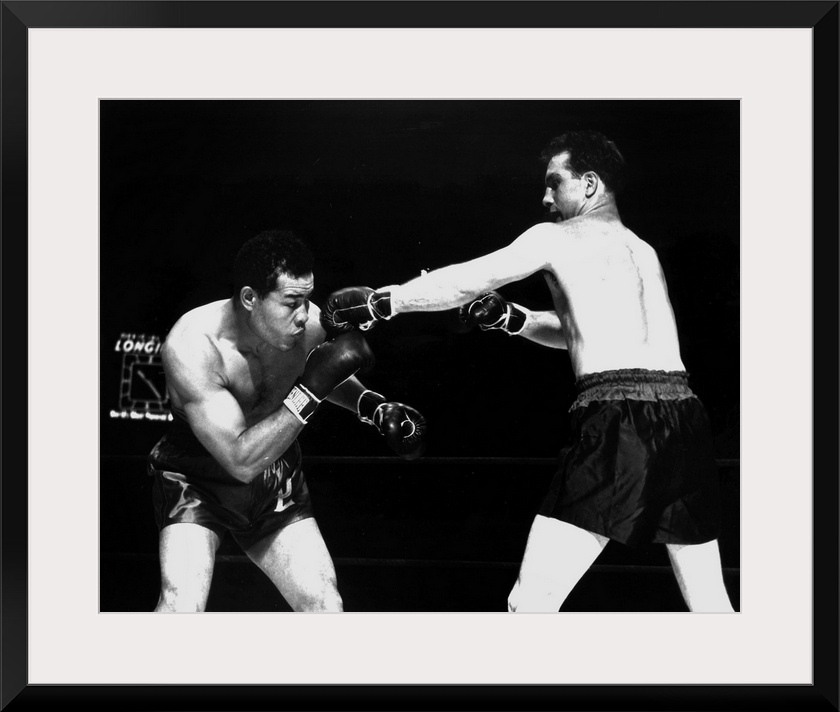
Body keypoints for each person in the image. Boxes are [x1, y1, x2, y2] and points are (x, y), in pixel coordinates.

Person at [320, 130, 734, 613]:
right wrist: (513, 319)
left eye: (555, 183)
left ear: (589, 184)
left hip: (619, 421)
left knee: (530, 604)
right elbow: (582, 330)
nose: (545, 198)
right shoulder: (643, 250)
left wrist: (383, 301)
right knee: (711, 606)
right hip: (684, 419)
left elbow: (468, 279)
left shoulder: (555, 237)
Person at [147, 229, 427, 612]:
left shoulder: (307, 325)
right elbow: (239, 459)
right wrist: (309, 393)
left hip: (275, 475)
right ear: (250, 298)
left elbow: (324, 371)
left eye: (308, 299)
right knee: (181, 605)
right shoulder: (194, 346)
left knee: (325, 605)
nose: (305, 315)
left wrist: (371, 405)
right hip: (197, 480)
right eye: (292, 302)